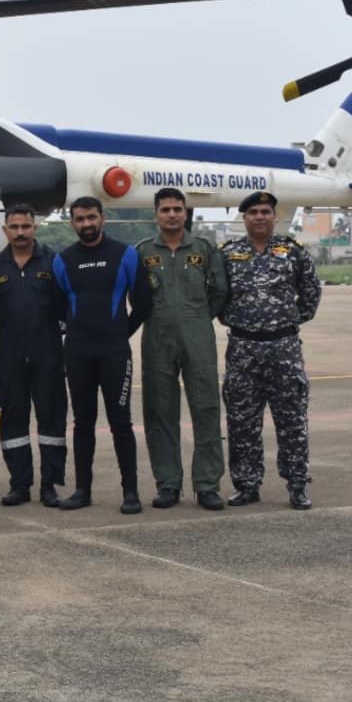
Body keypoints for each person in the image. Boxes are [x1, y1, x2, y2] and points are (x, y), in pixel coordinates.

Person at [220, 191, 321, 510]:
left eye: (265, 211)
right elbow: (218, 298)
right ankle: (247, 484)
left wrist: (285, 323)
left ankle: (297, 485)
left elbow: (310, 294)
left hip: (284, 350)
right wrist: (241, 323)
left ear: (274, 216)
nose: (260, 217)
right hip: (243, 350)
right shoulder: (228, 253)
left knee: (292, 421)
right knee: (241, 421)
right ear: (245, 218)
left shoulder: (292, 252)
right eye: (253, 213)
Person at [52, 196, 152, 513]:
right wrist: (77, 332)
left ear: (103, 218)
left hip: (114, 352)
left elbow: (144, 304)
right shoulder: (62, 260)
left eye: (91, 217)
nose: (86, 224)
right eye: (80, 219)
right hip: (78, 351)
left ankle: (131, 492)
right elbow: (57, 308)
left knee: (121, 422)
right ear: (72, 223)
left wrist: (120, 334)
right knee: (83, 422)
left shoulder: (126, 255)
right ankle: (82, 491)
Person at [136, 188, 228, 511]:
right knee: (159, 411)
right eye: (165, 209)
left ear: (186, 213)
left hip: (197, 335)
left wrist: (198, 317)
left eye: (178, 208)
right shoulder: (142, 252)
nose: (172, 214)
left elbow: (219, 291)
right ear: (156, 214)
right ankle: (168, 484)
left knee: (205, 407)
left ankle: (207, 485)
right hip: (157, 337)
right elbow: (137, 296)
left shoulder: (203, 249)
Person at [0, 204, 67, 508]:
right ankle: (20, 484)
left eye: (26, 226)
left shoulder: (53, 261)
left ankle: (49, 485)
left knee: (52, 419)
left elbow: (64, 305)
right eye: (15, 227)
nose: (21, 232)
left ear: (35, 227)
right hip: (10, 354)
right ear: (6, 230)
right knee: (13, 420)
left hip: (48, 352)